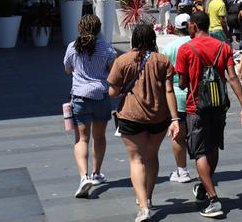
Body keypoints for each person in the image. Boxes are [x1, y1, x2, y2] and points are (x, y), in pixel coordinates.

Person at [175, 11, 242, 218]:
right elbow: (232, 77)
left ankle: (214, 200)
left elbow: (182, 83)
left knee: (199, 152)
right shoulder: (223, 47)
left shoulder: (186, 49)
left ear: (193, 26)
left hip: (196, 108)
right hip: (219, 106)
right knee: (213, 146)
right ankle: (205, 186)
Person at [108, 25, 180, 221]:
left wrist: (124, 88)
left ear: (133, 39)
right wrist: (175, 119)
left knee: (136, 160)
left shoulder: (122, 60)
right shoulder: (162, 60)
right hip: (159, 116)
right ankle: (148, 197)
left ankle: (143, 207)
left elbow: (112, 92)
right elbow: (169, 91)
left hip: (131, 116)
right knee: (151, 156)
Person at [63, 15, 117, 199]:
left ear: (80, 27)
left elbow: (67, 69)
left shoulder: (72, 47)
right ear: (98, 28)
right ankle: (96, 173)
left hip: (79, 97)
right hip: (100, 95)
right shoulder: (107, 48)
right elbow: (113, 70)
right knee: (99, 137)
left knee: (82, 139)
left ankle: (83, 176)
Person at [160, 14, 195, 184]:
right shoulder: (197, 44)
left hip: (176, 97)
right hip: (197, 94)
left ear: (175, 27)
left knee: (178, 135)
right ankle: (204, 168)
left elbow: (163, 73)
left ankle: (182, 171)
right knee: (198, 134)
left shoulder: (169, 47)